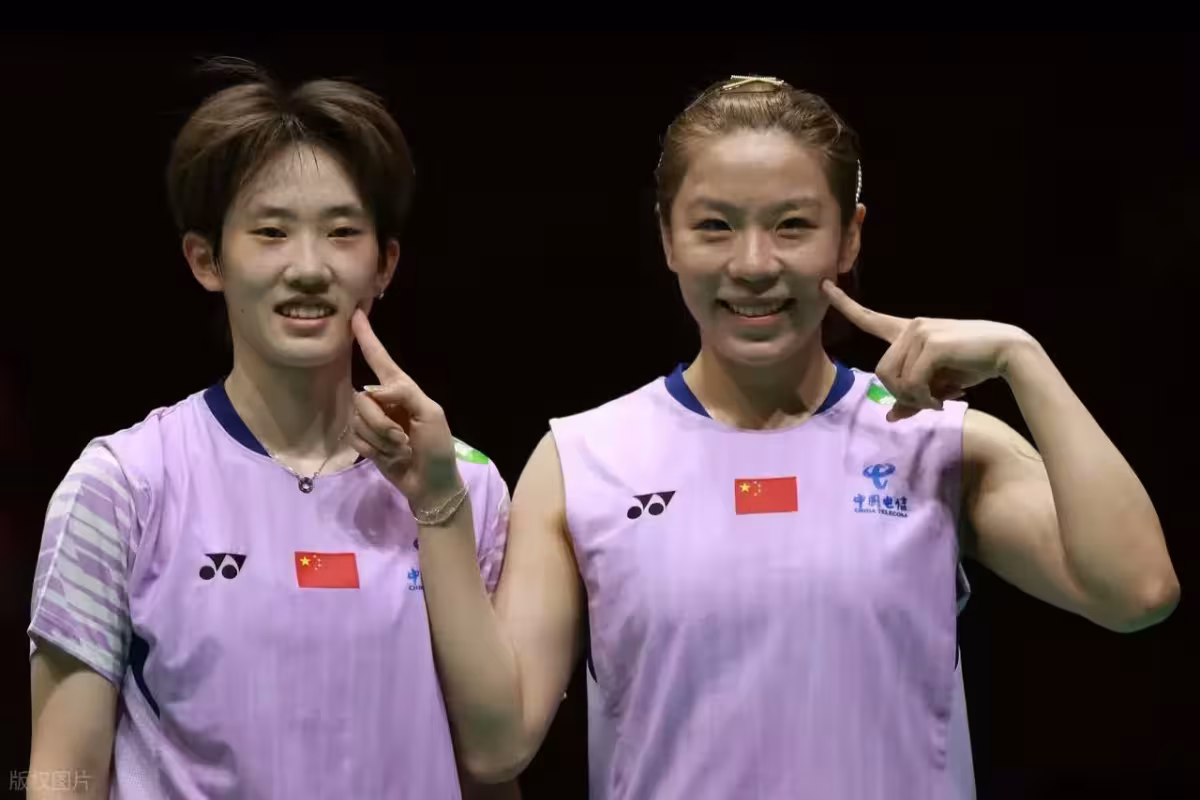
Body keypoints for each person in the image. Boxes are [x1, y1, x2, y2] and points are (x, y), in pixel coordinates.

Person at [347, 75, 1180, 799]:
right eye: (714, 226)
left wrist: (1022, 359)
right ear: (667, 237)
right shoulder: (582, 459)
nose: (752, 263)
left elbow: (1137, 593)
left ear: (849, 237)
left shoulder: (937, 442)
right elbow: (498, 746)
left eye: (792, 225)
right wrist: (441, 504)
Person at [26, 62, 518, 800]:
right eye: (271, 232)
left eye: (342, 232)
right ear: (207, 260)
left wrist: (438, 502)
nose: (308, 267)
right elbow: (62, 776)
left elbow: (493, 765)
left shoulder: (466, 484)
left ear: (384, 264)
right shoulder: (122, 487)